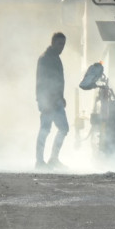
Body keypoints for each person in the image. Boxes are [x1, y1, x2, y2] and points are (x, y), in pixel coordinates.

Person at [35, 31, 68, 170]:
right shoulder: (45, 58)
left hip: (57, 101)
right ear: (53, 43)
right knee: (45, 130)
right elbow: (41, 82)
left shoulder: (55, 57)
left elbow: (58, 80)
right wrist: (44, 102)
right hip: (48, 101)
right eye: (60, 44)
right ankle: (40, 162)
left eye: (63, 44)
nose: (62, 47)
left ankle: (53, 159)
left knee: (64, 128)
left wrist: (61, 96)